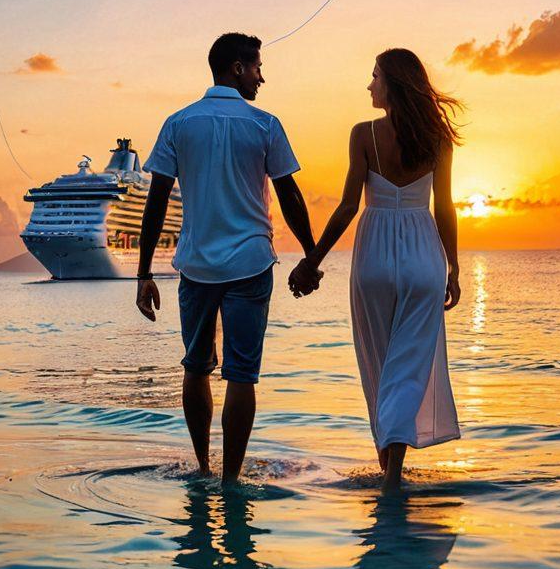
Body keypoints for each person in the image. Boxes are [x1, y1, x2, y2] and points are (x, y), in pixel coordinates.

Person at [136, 32, 321, 484]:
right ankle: (231, 480)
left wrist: (143, 273)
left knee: (196, 367)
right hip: (251, 265)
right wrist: (311, 256)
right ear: (237, 68)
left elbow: (156, 200)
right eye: (257, 67)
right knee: (241, 376)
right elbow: (290, 194)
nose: (262, 77)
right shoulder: (264, 124)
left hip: (197, 266)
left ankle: (201, 468)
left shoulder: (179, 123)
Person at [289, 48, 462, 491]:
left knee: (379, 365)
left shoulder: (363, 134)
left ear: (392, 84)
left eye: (374, 77)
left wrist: (313, 260)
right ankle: (394, 473)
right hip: (424, 255)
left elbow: (348, 206)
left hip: (375, 258)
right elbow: (445, 207)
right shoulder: (437, 140)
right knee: (407, 368)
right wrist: (454, 267)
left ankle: (390, 473)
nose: (369, 86)